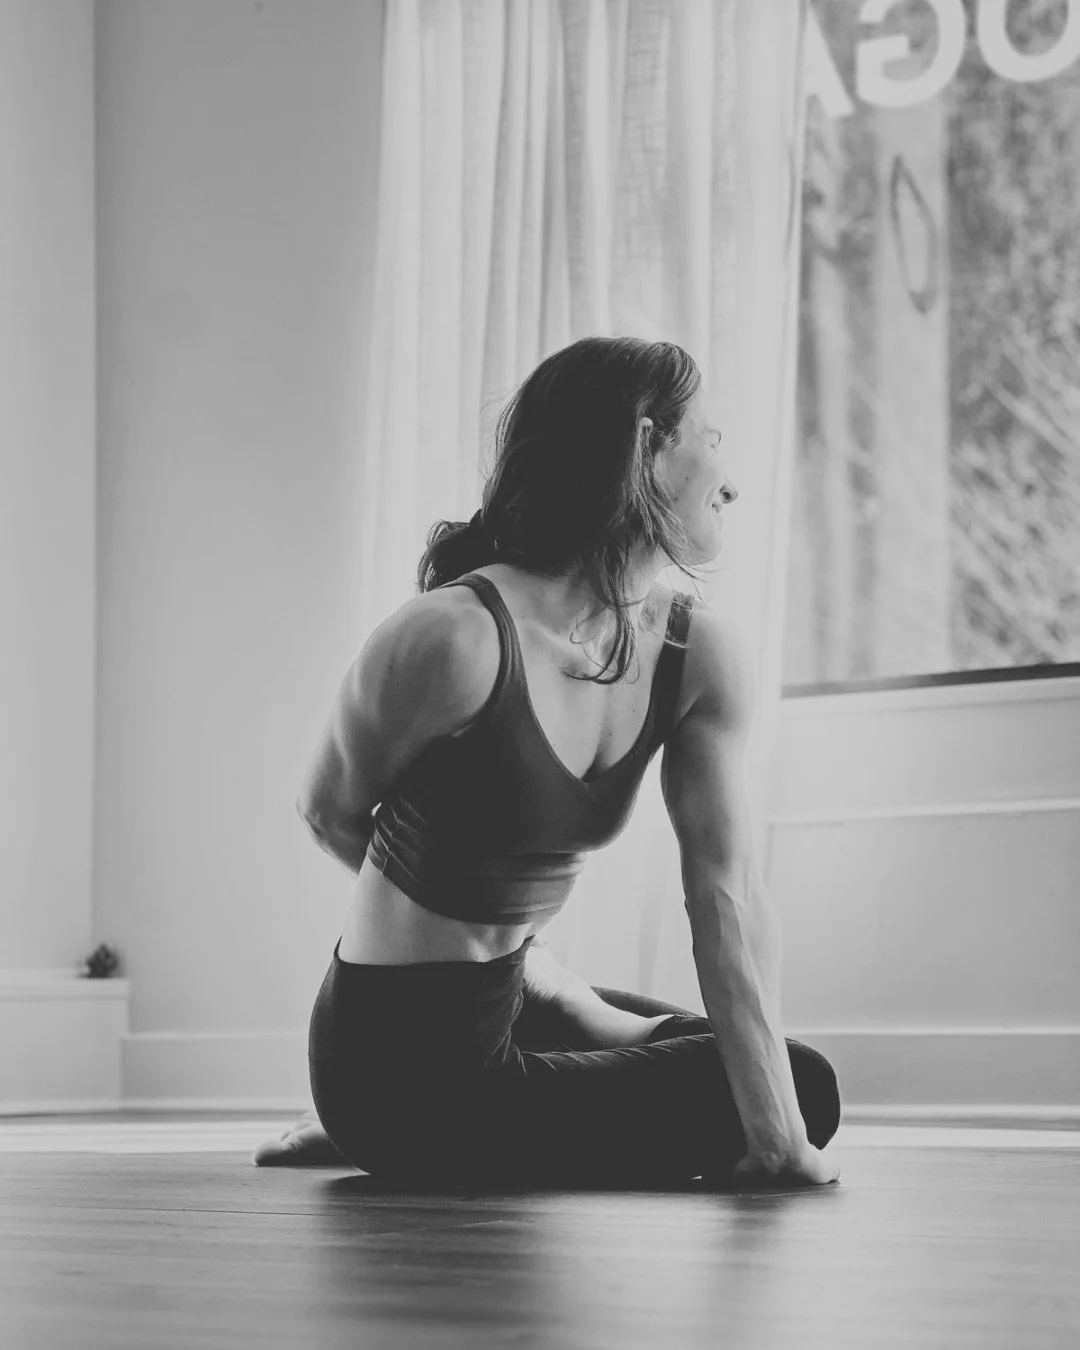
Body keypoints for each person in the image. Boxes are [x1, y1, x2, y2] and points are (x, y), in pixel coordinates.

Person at [255, 336, 842, 1188]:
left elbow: (728, 896)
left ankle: (434, 1108)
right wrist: (492, 948)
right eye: (709, 441)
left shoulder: (695, 652)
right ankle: (367, 1126)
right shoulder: (453, 639)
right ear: (645, 445)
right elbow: (328, 811)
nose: (732, 479)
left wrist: (776, 1137)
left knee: (795, 1083)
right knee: (780, 1091)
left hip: (515, 1006)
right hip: (403, 1069)